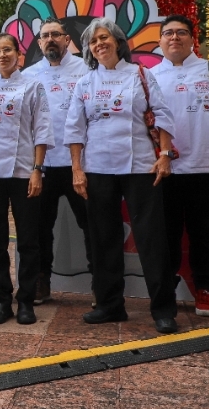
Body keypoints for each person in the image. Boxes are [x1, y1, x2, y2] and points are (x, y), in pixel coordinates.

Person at [64, 17, 179, 334]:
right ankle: (110, 305)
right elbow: (75, 129)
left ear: (118, 41)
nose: (99, 44)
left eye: (104, 38)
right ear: (89, 49)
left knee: (151, 238)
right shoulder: (85, 83)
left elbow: (162, 114)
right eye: (93, 41)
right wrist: (77, 169)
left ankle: (163, 309)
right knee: (103, 239)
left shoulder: (140, 74)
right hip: (97, 168)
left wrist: (165, 155)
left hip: (141, 166)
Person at [151, 15, 209, 318]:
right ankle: (167, 289)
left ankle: (203, 288)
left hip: (204, 164)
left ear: (192, 38)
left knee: (202, 232)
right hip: (164, 169)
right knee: (167, 233)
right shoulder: (149, 76)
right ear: (160, 41)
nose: (175, 37)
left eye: (181, 32)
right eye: (168, 33)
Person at [0, 33, 52, 325]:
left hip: (24, 170)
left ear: (18, 54)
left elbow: (42, 129)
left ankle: (26, 300)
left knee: (28, 239)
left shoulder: (32, 85)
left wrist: (38, 169)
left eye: (7, 50)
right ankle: (3, 298)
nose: (2, 55)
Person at [22, 18, 92, 305]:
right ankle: (41, 282)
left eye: (56, 34)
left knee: (91, 225)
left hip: (80, 165)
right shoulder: (28, 75)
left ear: (67, 40)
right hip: (42, 166)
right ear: (39, 43)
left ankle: (100, 284)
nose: (50, 39)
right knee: (39, 229)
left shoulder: (86, 70)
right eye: (45, 36)